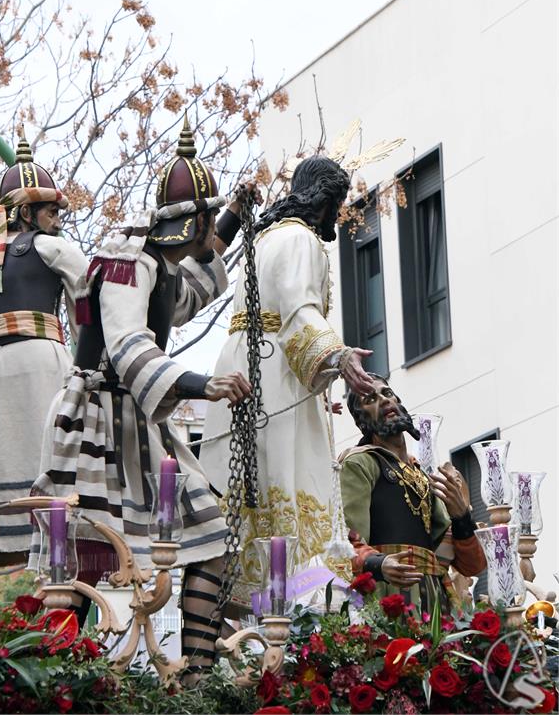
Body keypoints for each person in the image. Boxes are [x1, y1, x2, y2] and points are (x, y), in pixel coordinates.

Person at [32, 116, 252, 675]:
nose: (212, 234)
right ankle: (54, 683)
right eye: (212, 219)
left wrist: (235, 218)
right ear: (193, 221)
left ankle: (197, 675)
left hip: (136, 420)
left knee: (208, 533)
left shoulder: (158, 263)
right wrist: (204, 384)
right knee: (79, 559)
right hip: (97, 421)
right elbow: (130, 346)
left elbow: (186, 295)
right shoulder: (129, 261)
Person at [200, 155, 379, 612]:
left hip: (242, 364)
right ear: (325, 200)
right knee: (291, 477)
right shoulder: (301, 239)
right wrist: (336, 358)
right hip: (276, 368)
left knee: (253, 484)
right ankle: (303, 604)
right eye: (337, 204)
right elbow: (301, 311)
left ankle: (242, 600)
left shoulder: (263, 238)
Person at [0, 131, 88, 567]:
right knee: (48, 466)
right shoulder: (52, 247)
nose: (56, 219)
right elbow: (91, 303)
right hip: (40, 365)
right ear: (26, 212)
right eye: (50, 210)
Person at [340, 377, 486, 613]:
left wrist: (462, 518)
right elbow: (346, 544)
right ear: (361, 421)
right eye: (371, 399)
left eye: (387, 393)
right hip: (388, 598)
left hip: (434, 601)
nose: (385, 400)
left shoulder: (421, 476)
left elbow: (471, 566)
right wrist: (379, 564)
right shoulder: (360, 463)